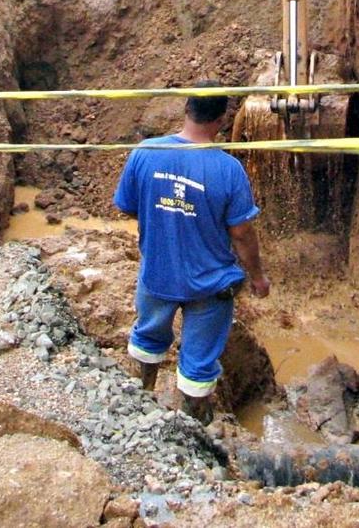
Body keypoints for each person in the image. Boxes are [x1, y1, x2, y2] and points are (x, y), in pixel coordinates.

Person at [113, 83, 270, 424]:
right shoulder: (228, 170)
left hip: (157, 273)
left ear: (186, 109)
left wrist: (166, 215)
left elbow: (127, 206)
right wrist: (257, 277)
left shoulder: (145, 152)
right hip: (210, 286)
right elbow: (242, 233)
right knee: (199, 362)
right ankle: (193, 429)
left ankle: (138, 407)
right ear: (222, 119)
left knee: (148, 337)